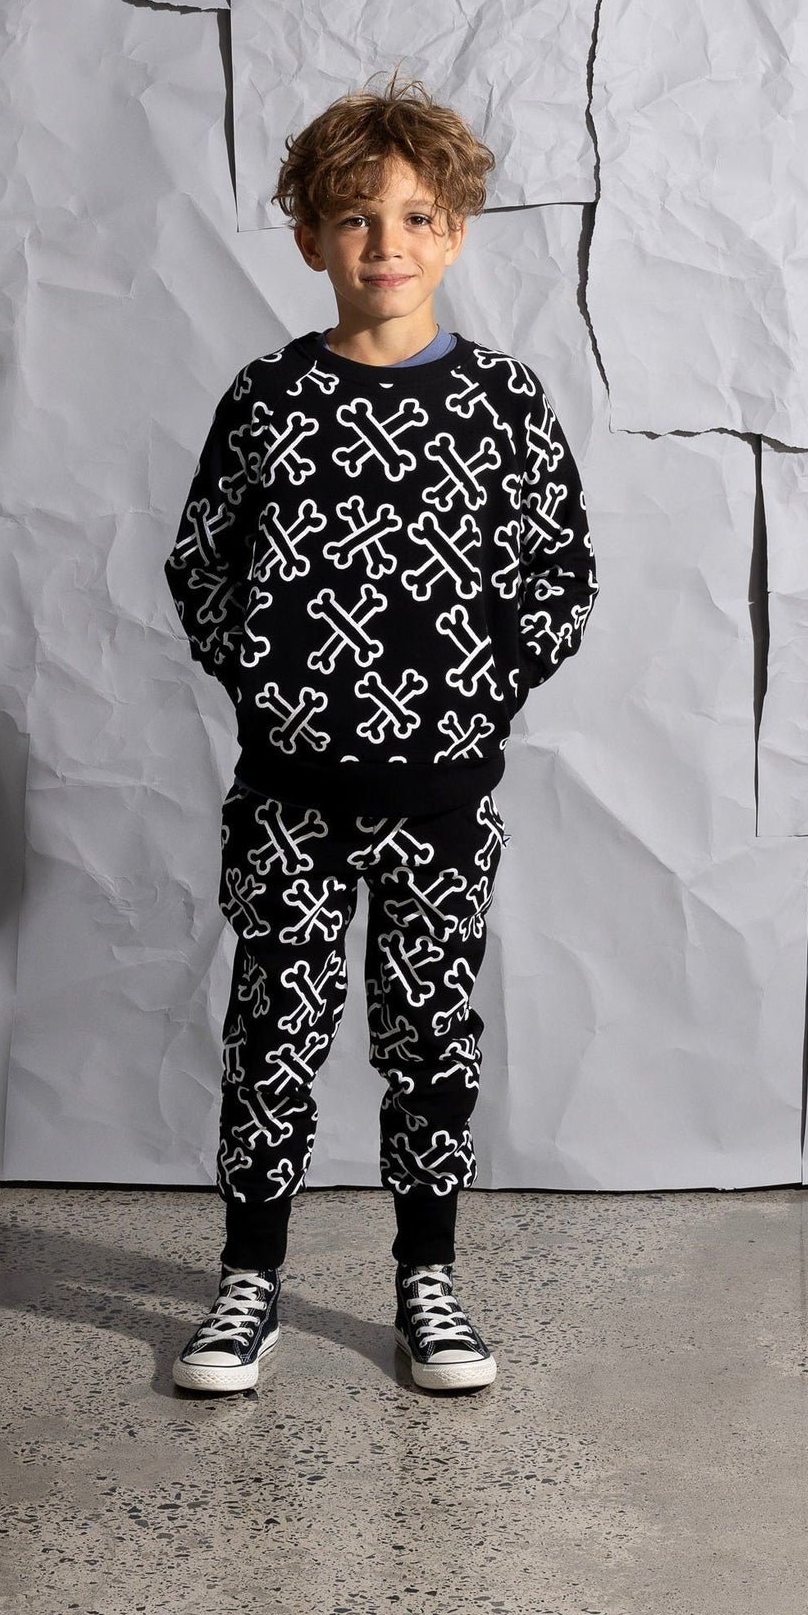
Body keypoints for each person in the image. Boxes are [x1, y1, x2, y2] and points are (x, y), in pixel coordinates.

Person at [161, 73, 597, 1394]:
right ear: (309, 239)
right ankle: (250, 1281)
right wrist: (272, 689)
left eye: (414, 218)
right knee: (272, 1031)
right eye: (355, 219)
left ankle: (428, 1282)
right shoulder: (269, 401)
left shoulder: (504, 403)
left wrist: (477, 698)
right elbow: (200, 563)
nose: (386, 243)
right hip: (290, 794)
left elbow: (561, 573)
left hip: (443, 797)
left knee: (431, 1033)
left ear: (454, 234)